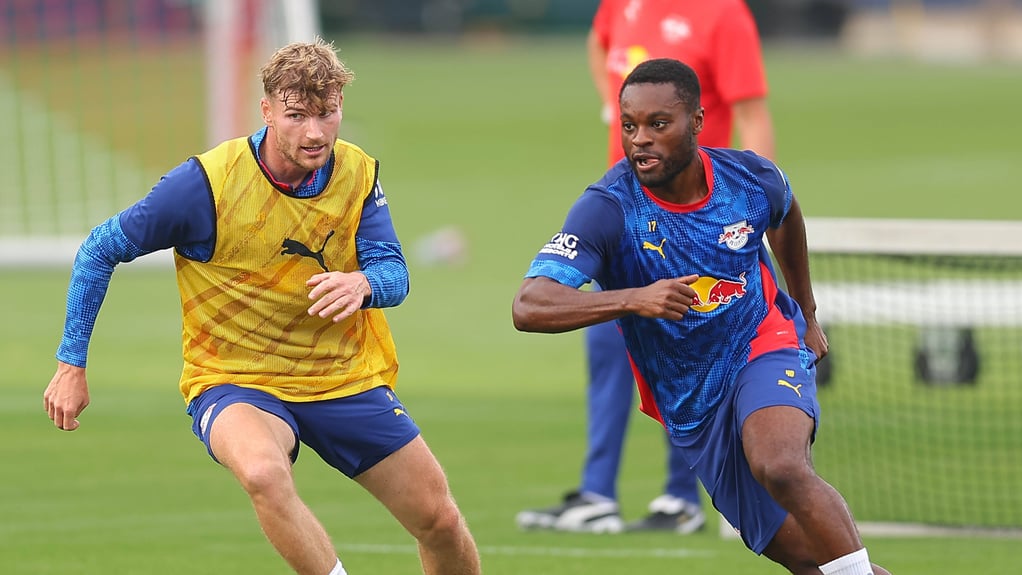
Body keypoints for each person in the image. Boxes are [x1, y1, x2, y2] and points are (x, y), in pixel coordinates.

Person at [43, 38, 481, 575]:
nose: (315, 133)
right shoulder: (205, 184)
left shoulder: (357, 173)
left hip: (343, 376)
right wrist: (71, 363)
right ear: (267, 110)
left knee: (437, 519)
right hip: (236, 378)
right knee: (262, 473)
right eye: (297, 116)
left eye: (327, 114)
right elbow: (99, 249)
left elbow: (395, 273)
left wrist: (363, 285)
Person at [512, 58, 890, 575]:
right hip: (692, 406)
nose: (640, 139)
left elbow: (786, 214)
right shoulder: (608, 208)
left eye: (657, 124)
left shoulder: (749, 178)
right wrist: (633, 298)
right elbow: (529, 304)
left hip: (762, 345)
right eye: (629, 126)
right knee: (812, 561)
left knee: (779, 464)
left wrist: (805, 312)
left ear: (696, 121)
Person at [516, 0, 774, 534]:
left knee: (692, 350)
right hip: (629, 212)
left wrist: (750, 208)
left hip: (698, 220)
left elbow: (752, 113)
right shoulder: (620, 6)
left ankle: (683, 498)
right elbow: (597, 40)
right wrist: (611, 111)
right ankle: (597, 494)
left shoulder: (723, 15)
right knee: (605, 340)